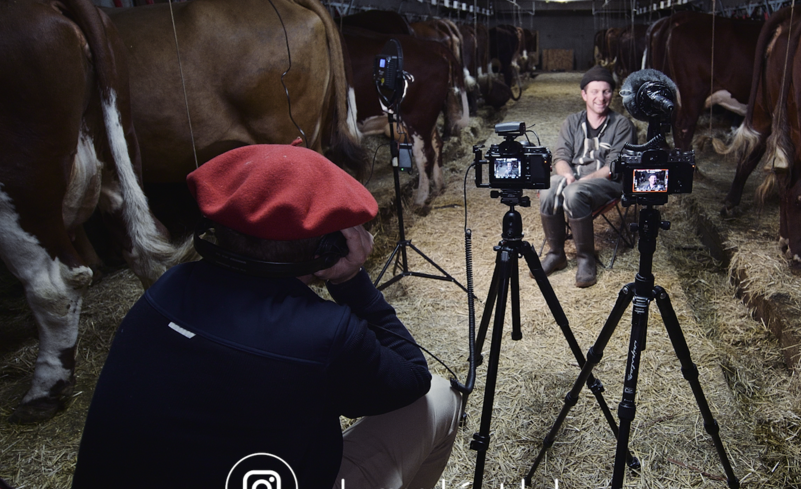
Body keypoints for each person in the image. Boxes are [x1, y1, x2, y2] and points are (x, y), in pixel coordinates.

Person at [72, 144, 462, 489]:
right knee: (441, 398)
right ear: (327, 249)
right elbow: (412, 378)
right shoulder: (326, 333)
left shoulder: (168, 287)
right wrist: (350, 278)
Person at [539, 65, 636, 287]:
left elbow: (614, 166)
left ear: (612, 94)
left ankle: (585, 258)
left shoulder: (622, 125)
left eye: (606, 92)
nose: (600, 98)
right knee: (548, 186)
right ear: (584, 94)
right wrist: (568, 175)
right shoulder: (572, 122)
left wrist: (582, 181)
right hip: (576, 180)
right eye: (594, 91)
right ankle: (556, 254)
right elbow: (560, 157)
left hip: (606, 184)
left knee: (573, 193)